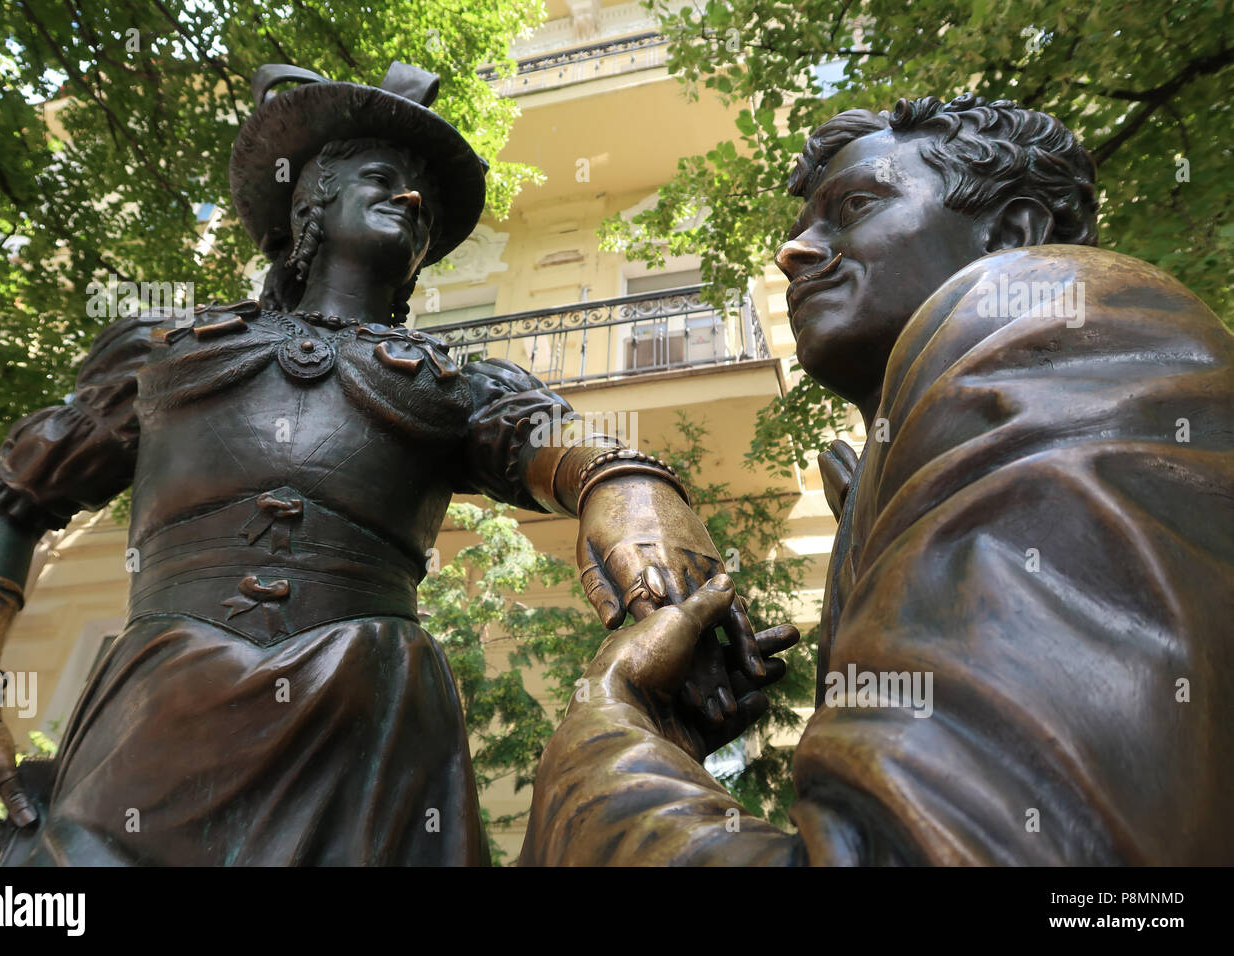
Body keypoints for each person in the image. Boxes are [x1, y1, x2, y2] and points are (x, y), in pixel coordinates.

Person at [0, 63, 752, 865]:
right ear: (309, 198)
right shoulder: (169, 356)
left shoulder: (452, 384)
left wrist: (630, 485)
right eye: (382, 175)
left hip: (375, 733)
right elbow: (15, 499)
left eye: (421, 195)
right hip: (157, 719)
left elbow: (557, 445)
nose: (411, 198)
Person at [521, 94, 1234, 865]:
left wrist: (604, 727)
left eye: (854, 207)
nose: (792, 254)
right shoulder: (925, 444)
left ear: (1014, 232)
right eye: (798, 231)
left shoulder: (1048, 313)